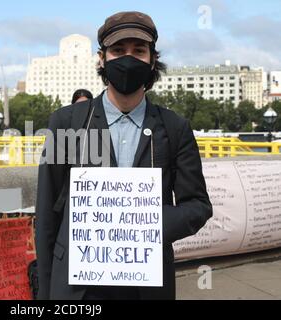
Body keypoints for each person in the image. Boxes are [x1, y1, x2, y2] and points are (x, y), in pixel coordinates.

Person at [35, 11, 212, 300]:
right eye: (118, 50)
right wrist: (44, 293)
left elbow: (198, 205)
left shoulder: (175, 127)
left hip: (146, 284)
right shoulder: (66, 122)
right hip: (78, 287)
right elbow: (45, 214)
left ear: (152, 59)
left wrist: (144, 223)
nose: (128, 59)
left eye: (138, 51)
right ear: (102, 58)